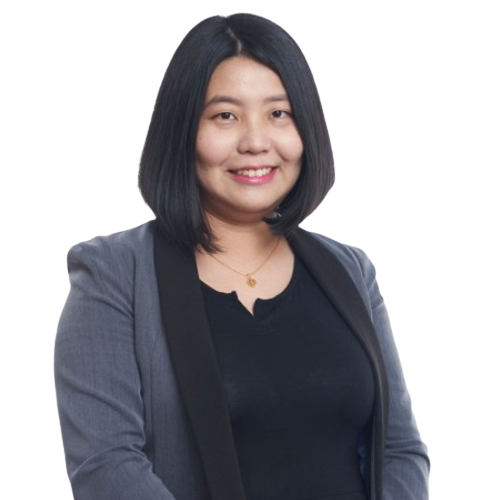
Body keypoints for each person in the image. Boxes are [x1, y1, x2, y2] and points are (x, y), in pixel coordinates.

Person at [53, 12, 430, 500]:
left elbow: (400, 450)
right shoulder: (114, 274)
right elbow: (106, 467)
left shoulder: (350, 268)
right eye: (225, 116)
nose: (255, 142)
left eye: (279, 113)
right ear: (183, 130)